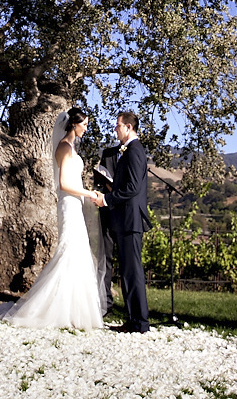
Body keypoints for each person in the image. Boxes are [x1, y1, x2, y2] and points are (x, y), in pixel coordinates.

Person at [0, 107, 104, 329]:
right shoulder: (64, 147)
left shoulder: (71, 147)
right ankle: (52, 308)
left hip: (75, 204)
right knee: (68, 252)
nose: (86, 128)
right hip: (68, 204)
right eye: (84, 124)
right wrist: (89, 193)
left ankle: (73, 310)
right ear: (74, 124)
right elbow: (64, 184)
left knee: (78, 253)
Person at [94, 111, 150, 333]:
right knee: (127, 272)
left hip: (131, 219)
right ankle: (133, 320)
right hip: (124, 220)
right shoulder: (127, 151)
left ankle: (139, 322)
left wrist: (106, 199)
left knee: (133, 272)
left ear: (128, 128)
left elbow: (133, 188)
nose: (115, 130)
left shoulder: (135, 151)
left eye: (118, 126)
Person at [93, 141, 120, 315]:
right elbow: (99, 181)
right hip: (108, 211)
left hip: (126, 213)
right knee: (105, 258)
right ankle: (106, 304)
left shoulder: (135, 153)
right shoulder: (108, 153)